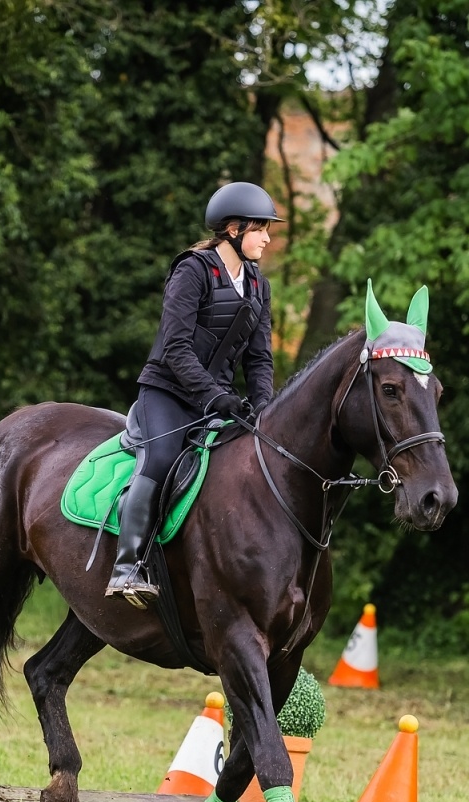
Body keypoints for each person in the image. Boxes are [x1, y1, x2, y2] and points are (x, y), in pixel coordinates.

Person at [105, 182, 282, 608]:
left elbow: (259, 360)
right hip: (167, 393)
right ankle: (127, 566)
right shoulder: (193, 270)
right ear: (235, 230)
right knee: (163, 457)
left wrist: (262, 408)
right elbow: (176, 349)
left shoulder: (258, 285)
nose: (268, 238)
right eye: (261, 230)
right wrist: (215, 396)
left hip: (215, 400)